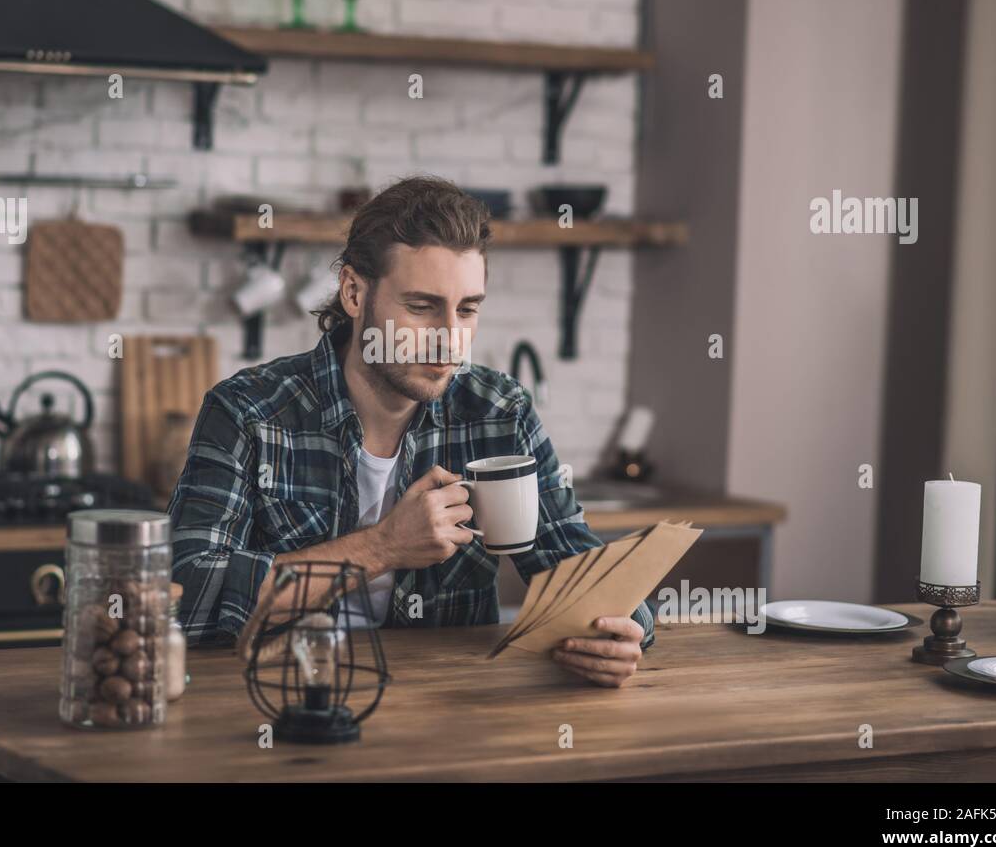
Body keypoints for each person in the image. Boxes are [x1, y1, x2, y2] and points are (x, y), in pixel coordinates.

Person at [168, 176, 654, 687]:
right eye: (421, 307)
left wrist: (624, 630)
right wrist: (381, 547)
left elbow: (575, 561)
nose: (450, 339)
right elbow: (187, 596)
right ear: (355, 293)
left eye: (467, 310)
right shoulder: (247, 411)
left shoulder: (498, 413)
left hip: (447, 714)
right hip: (279, 701)